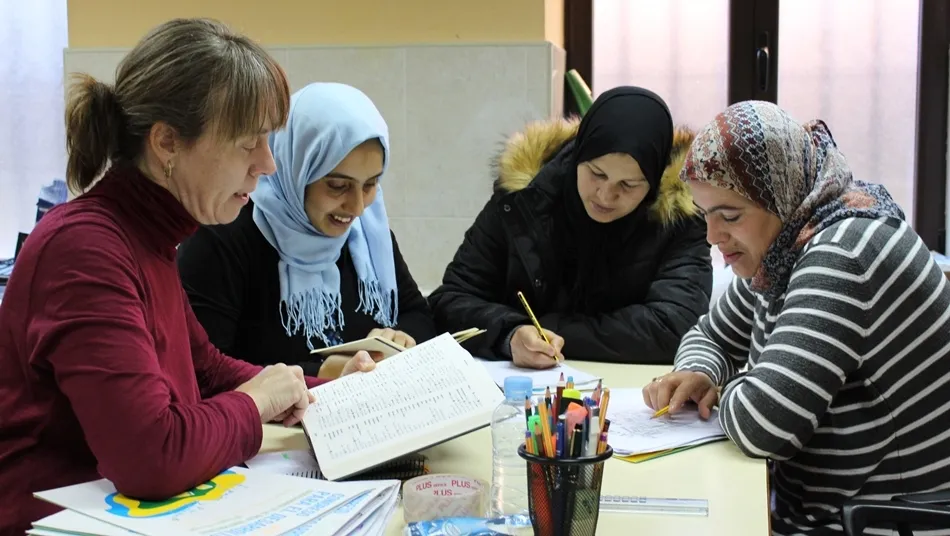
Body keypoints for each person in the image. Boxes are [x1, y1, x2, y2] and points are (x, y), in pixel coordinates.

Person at [0, 19, 375, 535]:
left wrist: (324, 392)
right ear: (167, 143)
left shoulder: (146, 236)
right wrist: (257, 401)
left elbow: (204, 370)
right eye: (249, 142)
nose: (267, 164)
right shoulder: (86, 248)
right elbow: (150, 455)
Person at [643, 101, 950, 535]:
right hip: (830, 509)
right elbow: (710, 333)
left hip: (885, 520)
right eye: (705, 215)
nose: (713, 237)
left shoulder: (842, 252)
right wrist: (697, 370)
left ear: (782, 194)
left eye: (729, 215)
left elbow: (765, 423)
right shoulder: (786, 249)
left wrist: (721, 388)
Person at [428, 87, 712, 367]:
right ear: (578, 157)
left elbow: (675, 326)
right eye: (596, 174)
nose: (605, 195)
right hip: (523, 384)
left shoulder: (680, 217)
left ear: (653, 182)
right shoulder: (522, 199)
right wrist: (510, 334)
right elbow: (451, 300)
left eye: (628, 185)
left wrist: (548, 327)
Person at [177, 82, 437, 376]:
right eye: (338, 186)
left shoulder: (367, 236)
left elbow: (417, 313)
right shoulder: (223, 240)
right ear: (295, 172)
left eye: (371, 184)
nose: (357, 207)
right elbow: (203, 372)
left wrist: (402, 338)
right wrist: (321, 373)